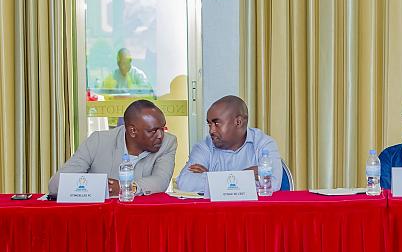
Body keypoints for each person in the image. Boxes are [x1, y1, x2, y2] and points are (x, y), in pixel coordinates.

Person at [48, 100, 177, 196]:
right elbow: (56, 184)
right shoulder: (99, 141)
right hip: (99, 216)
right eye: (153, 131)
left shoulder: (168, 143)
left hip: (141, 217)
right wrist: (99, 187)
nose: (160, 135)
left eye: (163, 128)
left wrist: (126, 188)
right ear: (132, 131)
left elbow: (160, 181)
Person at [176, 95, 282, 193]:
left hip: (253, 207)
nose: (211, 130)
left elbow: (273, 184)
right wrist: (244, 176)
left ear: (238, 122)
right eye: (209, 124)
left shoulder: (264, 143)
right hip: (216, 208)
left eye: (217, 123)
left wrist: (211, 177)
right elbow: (185, 183)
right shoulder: (204, 146)